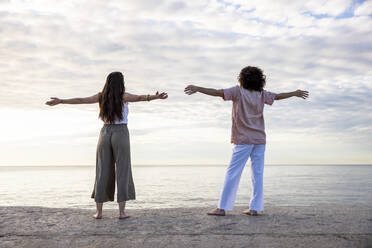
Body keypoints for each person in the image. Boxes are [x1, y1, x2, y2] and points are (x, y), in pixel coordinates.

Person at [184, 66, 308, 216]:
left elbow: (217, 92)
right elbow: (278, 96)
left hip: (244, 139)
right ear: (260, 80)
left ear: (242, 78)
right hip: (260, 139)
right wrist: (295, 93)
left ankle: (222, 208)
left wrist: (198, 88)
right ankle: (254, 209)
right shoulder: (262, 94)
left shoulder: (238, 91)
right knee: (257, 174)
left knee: (233, 173)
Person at [46, 71, 168, 219]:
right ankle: (121, 213)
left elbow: (81, 100)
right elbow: (140, 98)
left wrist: (61, 101)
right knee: (123, 169)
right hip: (121, 133)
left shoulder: (101, 96)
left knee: (102, 170)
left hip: (104, 133)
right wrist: (156, 97)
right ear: (121, 82)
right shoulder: (124, 96)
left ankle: (99, 212)